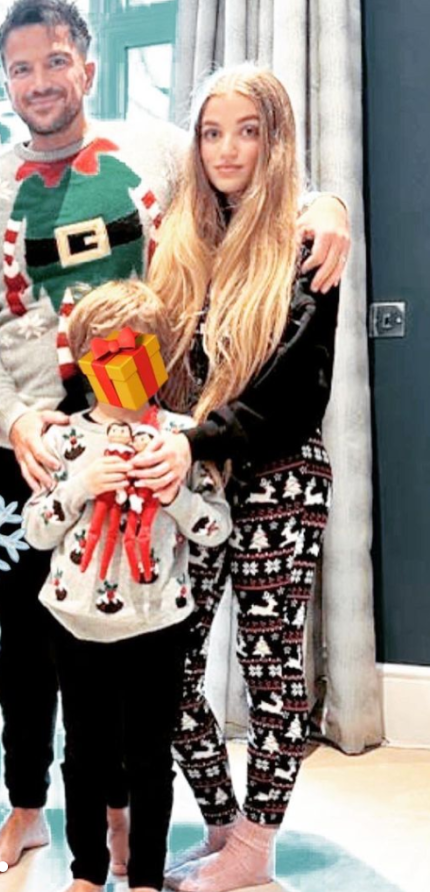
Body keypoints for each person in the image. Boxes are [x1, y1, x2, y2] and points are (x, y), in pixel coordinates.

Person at [0, 0, 350, 874]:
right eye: (20, 67)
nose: (40, 81)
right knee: (86, 652)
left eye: (56, 61)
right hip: (77, 449)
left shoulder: (163, 154)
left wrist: (328, 207)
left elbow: (260, 179)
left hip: (196, 455)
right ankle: (102, 815)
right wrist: (15, 421)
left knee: (223, 655)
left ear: (87, 65)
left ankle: (232, 835)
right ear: (3, 79)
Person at [134, 64, 340, 892]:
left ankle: (258, 848)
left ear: (274, 138)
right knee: (171, 668)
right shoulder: (182, 244)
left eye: (246, 130)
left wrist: (197, 437)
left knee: (270, 665)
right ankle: (225, 827)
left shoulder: (304, 239)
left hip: (280, 477)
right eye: (211, 131)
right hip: (199, 478)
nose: (226, 149)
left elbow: (297, 389)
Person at [23, 279, 233, 892]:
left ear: (158, 356)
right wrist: (80, 484)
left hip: (157, 624)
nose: (117, 364)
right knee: (83, 755)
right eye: (103, 351)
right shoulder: (62, 438)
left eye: (133, 351)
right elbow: (36, 531)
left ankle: (144, 876)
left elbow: (215, 528)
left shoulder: (182, 436)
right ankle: (87, 872)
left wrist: (173, 495)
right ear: (83, 358)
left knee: (149, 758)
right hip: (73, 620)